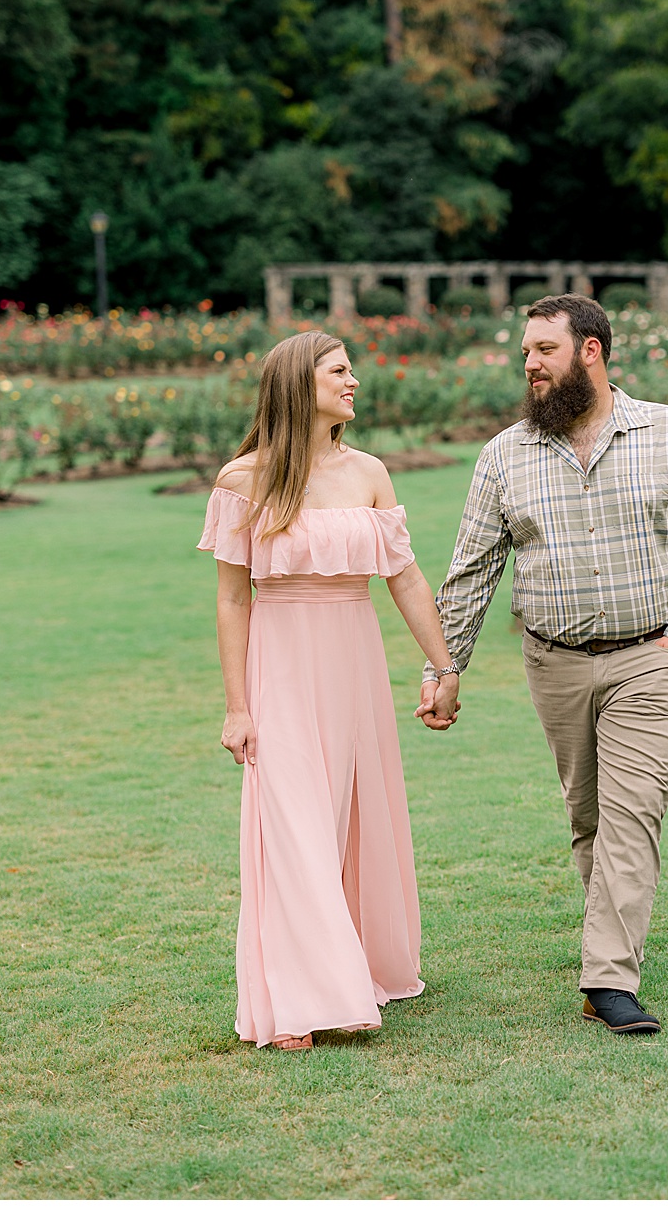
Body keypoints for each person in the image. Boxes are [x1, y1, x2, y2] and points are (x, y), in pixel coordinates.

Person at [420, 293, 668, 1036]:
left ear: (590, 351)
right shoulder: (505, 455)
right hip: (554, 663)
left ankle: (608, 977)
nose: (529, 365)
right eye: (526, 352)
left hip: (651, 659)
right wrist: (445, 668)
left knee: (634, 814)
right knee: (590, 816)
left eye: (543, 350)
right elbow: (472, 571)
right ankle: (615, 933)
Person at [199, 331, 462, 1051]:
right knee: (293, 825)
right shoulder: (242, 480)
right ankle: (304, 998)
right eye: (340, 370)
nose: (355, 381)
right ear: (297, 383)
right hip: (280, 663)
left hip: (353, 660)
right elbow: (232, 600)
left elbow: (403, 576)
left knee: (349, 819)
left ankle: (357, 972)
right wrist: (237, 706)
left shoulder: (369, 473)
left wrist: (444, 667)